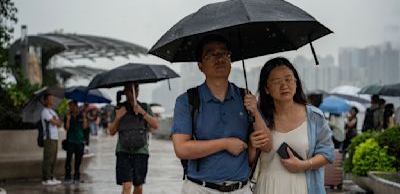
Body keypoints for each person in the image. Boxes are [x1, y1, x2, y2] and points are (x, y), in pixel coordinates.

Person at [171, 35, 272, 194]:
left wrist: (255, 112)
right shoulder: (188, 101)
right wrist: (225, 144)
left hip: (241, 188)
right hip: (200, 188)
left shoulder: (245, 97)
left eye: (224, 53)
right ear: (200, 65)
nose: (219, 58)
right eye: (211, 54)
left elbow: (267, 145)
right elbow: (181, 149)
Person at [249, 57, 334, 194]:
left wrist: (303, 165)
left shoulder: (314, 116)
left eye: (288, 79)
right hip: (267, 187)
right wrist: (252, 146)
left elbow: (328, 153)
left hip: (303, 187)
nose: (284, 85)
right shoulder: (257, 118)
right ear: (266, 88)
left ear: (296, 82)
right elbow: (249, 161)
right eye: (277, 81)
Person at [109, 82, 159, 194]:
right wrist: (118, 117)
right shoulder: (119, 108)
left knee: (138, 186)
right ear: (126, 92)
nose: (134, 92)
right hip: (123, 151)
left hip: (141, 151)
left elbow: (155, 125)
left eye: (136, 88)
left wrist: (142, 112)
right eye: (131, 89)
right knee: (127, 185)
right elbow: (111, 131)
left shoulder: (145, 107)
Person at [64, 100, 88, 184]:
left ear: (76, 106)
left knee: (78, 160)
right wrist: (67, 119)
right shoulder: (68, 115)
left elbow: (85, 127)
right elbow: (66, 128)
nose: (71, 107)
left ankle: (76, 177)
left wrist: (85, 118)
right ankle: (67, 177)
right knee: (68, 159)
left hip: (80, 140)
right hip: (70, 140)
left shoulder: (81, 115)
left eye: (72, 105)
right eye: (70, 106)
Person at [41, 93, 62, 185]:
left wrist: (55, 121)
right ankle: (46, 178)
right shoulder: (45, 112)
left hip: (55, 137)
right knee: (48, 158)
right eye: (50, 98)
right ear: (45, 101)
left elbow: (59, 123)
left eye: (52, 98)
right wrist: (55, 121)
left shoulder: (53, 112)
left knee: (54, 158)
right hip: (49, 138)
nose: (52, 100)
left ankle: (51, 176)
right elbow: (53, 122)